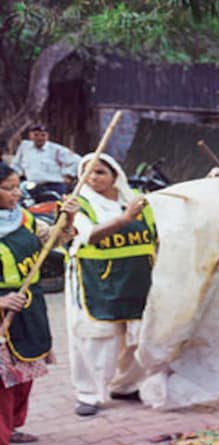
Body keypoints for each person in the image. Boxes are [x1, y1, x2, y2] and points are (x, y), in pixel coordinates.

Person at [60, 154, 155, 417]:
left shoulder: (137, 200)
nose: (93, 178)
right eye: (87, 172)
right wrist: (125, 219)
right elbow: (89, 235)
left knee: (138, 336)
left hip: (136, 280)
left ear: (115, 174)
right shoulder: (77, 203)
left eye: (100, 172)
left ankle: (126, 385)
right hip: (95, 282)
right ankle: (88, 394)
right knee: (95, 337)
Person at [0, 164, 64, 445]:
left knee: (23, 374)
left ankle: (12, 427)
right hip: (4, 314)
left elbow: (55, 240)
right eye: (8, 188)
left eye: (17, 187)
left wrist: (68, 217)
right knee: (2, 382)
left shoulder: (24, 219)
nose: (16, 194)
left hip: (30, 306)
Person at [11, 124, 80, 200]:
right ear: (30, 135)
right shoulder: (24, 147)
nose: (39, 138)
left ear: (47, 136)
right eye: (36, 135)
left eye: (43, 135)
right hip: (32, 186)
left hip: (54, 186)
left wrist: (68, 174)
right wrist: (13, 178)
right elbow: (16, 165)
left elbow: (77, 160)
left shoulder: (56, 149)